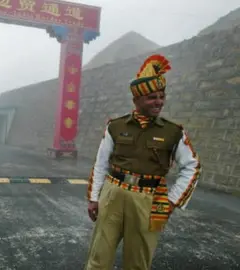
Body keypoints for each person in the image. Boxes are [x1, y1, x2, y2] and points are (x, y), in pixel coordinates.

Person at [84, 54, 202, 270]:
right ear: (136, 100)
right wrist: (93, 198)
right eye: (151, 97)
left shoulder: (173, 131)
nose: (158, 101)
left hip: (148, 199)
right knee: (99, 256)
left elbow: (192, 166)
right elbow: (100, 164)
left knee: (138, 261)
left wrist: (172, 201)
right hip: (113, 194)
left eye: (161, 96)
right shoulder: (116, 126)